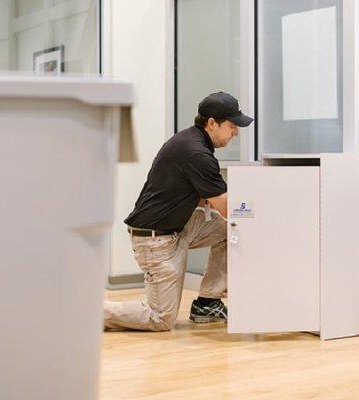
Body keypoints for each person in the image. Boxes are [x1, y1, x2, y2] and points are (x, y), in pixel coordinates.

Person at [104, 92, 254, 331]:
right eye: (232, 126)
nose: (235, 132)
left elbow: (200, 195)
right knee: (160, 318)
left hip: (178, 226)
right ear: (212, 123)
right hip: (156, 241)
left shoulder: (190, 140)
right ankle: (92, 312)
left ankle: (207, 302)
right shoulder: (197, 153)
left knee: (232, 229)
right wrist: (261, 212)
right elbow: (227, 207)